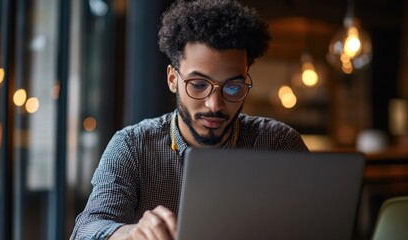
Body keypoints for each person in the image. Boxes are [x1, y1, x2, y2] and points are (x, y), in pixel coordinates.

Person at [71, 0, 309, 239]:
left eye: (233, 88)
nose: (214, 104)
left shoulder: (278, 144)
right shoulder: (133, 146)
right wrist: (131, 233)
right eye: (198, 85)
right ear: (173, 79)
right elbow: (86, 229)